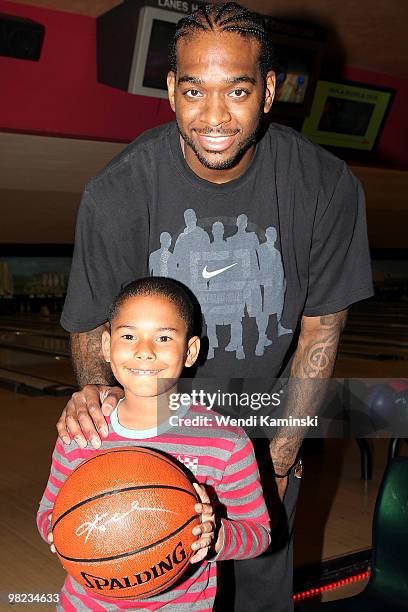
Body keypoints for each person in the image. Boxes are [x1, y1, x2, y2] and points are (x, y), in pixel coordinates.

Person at [57, 3, 374, 611]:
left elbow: (320, 337)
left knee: (259, 590)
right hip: (157, 434)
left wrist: (278, 463)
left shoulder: (325, 186)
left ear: (270, 91)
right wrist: (101, 415)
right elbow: (93, 324)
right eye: (195, 90)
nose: (214, 116)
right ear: (172, 90)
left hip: (261, 423)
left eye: (238, 90)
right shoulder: (118, 191)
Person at [37, 277, 271, 611]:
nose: (144, 350)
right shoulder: (83, 432)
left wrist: (215, 535)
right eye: (129, 335)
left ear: (190, 351)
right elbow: (48, 512)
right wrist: (60, 532)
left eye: (163, 337)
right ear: (106, 346)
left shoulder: (225, 442)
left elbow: (258, 534)